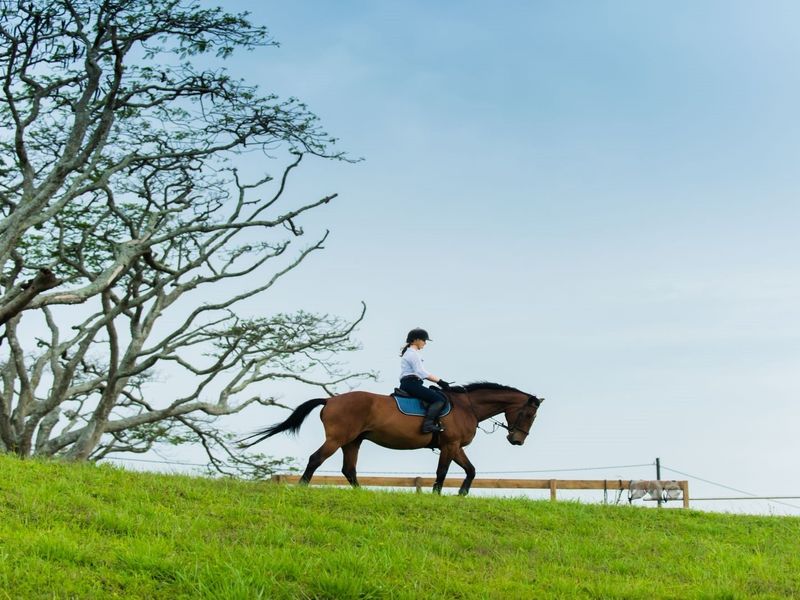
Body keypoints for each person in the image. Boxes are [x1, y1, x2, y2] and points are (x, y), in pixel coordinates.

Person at [399, 328, 451, 433]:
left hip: (411, 383)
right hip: (411, 384)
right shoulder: (412, 354)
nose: (425, 343)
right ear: (416, 339)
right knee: (439, 399)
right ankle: (427, 425)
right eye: (424, 340)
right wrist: (440, 381)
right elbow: (421, 372)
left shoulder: (412, 353)